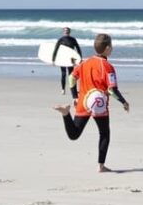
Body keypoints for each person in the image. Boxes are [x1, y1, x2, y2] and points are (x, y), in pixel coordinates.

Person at [52, 33, 130, 173]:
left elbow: (71, 78)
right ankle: (101, 166)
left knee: (74, 134)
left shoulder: (84, 63)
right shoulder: (108, 66)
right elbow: (112, 90)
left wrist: (75, 96)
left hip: (84, 101)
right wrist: (124, 102)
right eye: (111, 46)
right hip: (99, 103)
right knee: (104, 133)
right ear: (107, 49)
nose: (112, 48)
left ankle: (65, 113)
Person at [52, 27, 82, 95]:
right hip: (63, 58)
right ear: (63, 32)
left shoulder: (73, 39)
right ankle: (63, 89)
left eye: (67, 30)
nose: (66, 31)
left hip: (72, 58)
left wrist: (79, 58)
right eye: (65, 30)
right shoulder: (61, 40)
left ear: (69, 32)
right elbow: (56, 49)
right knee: (63, 74)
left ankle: (73, 90)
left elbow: (78, 48)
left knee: (72, 75)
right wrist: (53, 59)